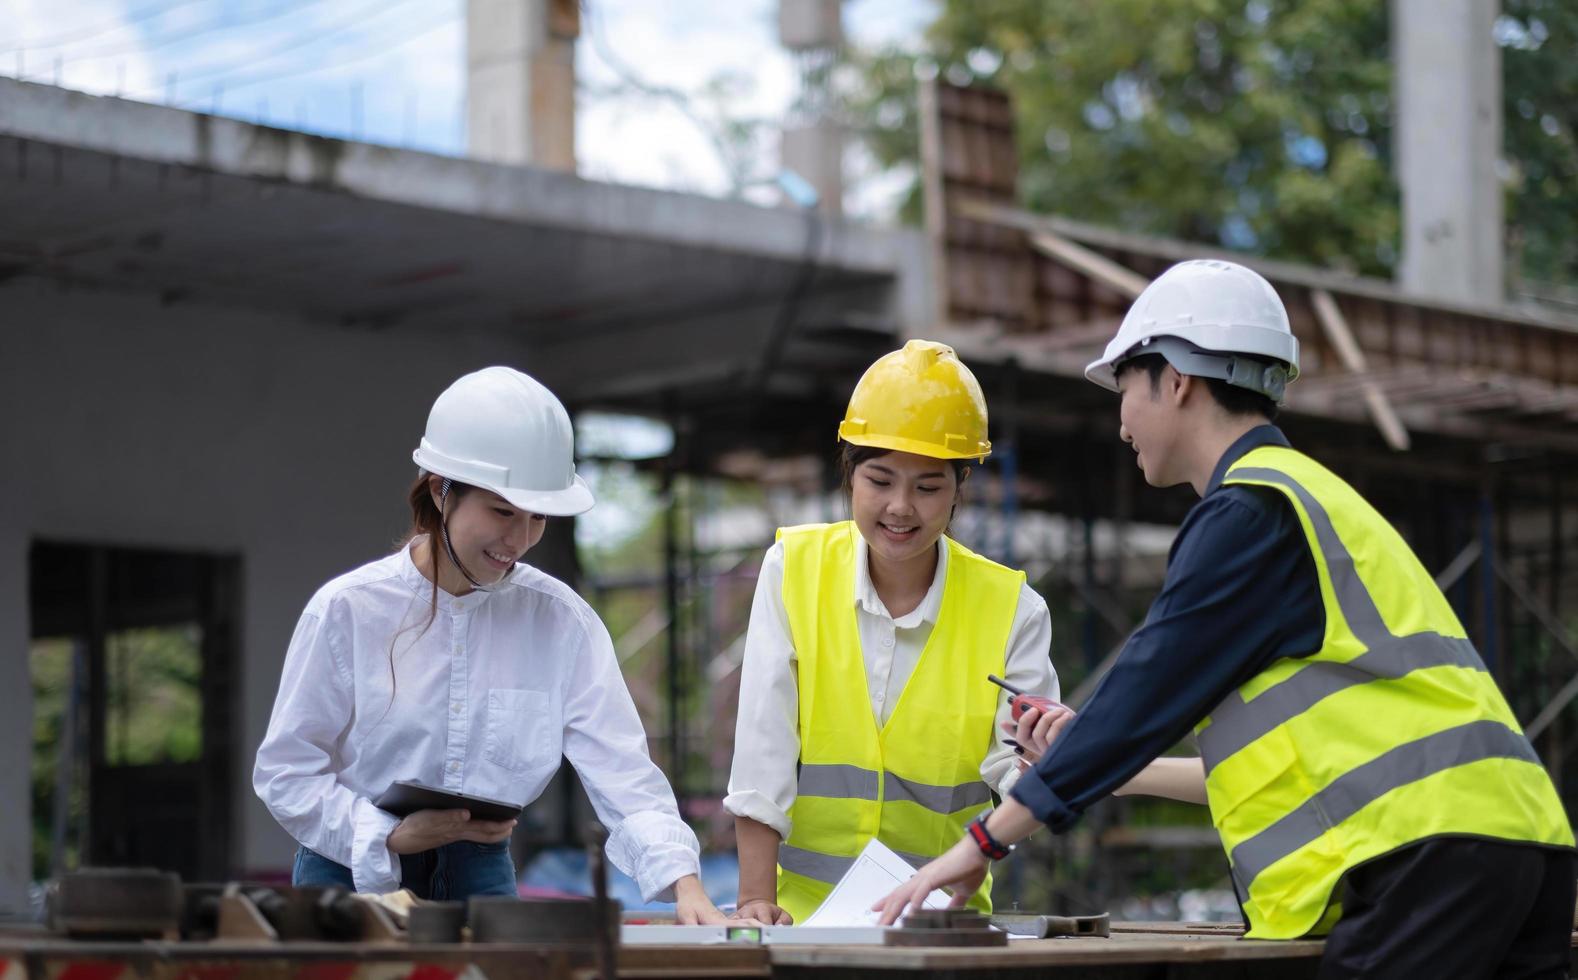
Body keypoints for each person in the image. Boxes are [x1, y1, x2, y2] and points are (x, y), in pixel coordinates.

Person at [875, 261, 1575, 977]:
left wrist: (980, 845)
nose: (1121, 424)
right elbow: (1281, 759)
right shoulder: (1311, 497)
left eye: (1125, 391)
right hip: (1517, 840)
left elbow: (1145, 688)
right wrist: (1118, 770)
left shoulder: (1249, 514)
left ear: (1174, 380)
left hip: (1432, 857)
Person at [254, 366, 730, 921]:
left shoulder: (561, 621)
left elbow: (621, 767)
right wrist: (384, 834)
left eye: (538, 517)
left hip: (479, 873)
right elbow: (286, 771)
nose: (520, 539)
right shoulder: (348, 609)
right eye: (503, 512)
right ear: (441, 490)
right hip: (348, 871)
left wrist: (685, 885)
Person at [724, 339, 1065, 925]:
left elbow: (1025, 772)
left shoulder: (1014, 610)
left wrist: (1010, 813)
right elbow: (763, 746)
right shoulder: (793, 569)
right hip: (802, 920)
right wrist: (757, 900)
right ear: (849, 475)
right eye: (880, 481)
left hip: (942, 923)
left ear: (961, 488)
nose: (901, 507)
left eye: (928, 487)